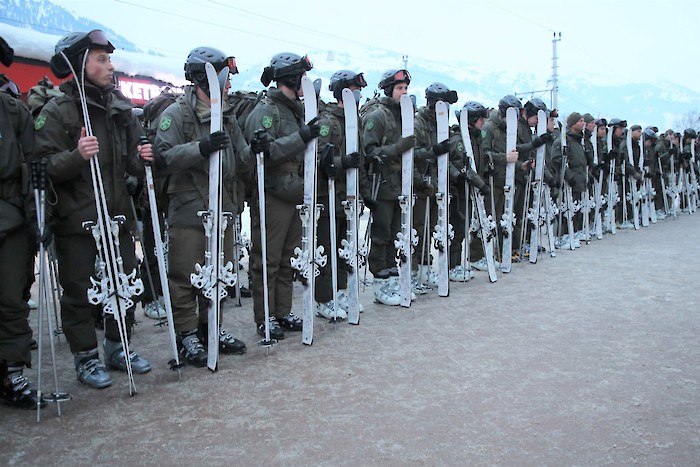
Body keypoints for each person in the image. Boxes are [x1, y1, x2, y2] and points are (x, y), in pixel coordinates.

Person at [33, 30, 152, 389]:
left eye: (109, 59)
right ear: (80, 64)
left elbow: (129, 161)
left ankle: (118, 346)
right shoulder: (58, 109)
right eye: (101, 59)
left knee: (125, 284)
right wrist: (76, 156)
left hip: (117, 216)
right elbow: (41, 166)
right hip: (77, 218)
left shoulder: (119, 106)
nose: (110, 66)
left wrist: (142, 159)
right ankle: (85, 357)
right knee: (80, 291)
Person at [155, 47, 251, 366]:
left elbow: (242, 157)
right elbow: (163, 158)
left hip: (221, 208)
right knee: (185, 275)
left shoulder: (227, 114)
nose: (228, 85)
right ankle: (186, 335)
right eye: (223, 78)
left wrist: (260, 149)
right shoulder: (175, 114)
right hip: (187, 208)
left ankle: (212, 328)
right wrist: (200, 148)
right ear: (202, 78)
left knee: (219, 274)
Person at [244, 52, 315, 339]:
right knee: (267, 260)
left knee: (289, 259)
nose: (306, 83)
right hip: (272, 194)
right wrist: (302, 137)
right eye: (302, 77)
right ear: (291, 78)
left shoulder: (296, 109)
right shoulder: (266, 110)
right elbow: (264, 153)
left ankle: (283, 312)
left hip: (294, 192)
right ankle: (265, 317)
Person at [0, 36, 44, 408]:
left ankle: (12, 373)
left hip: (9, 220)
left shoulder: (13, 112)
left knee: (12, 300)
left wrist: (36, 219)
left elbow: (31, 168)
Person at [314, 70, 366, 320]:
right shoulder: (328, 122)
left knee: (346, 247)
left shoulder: (354, 122)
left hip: (348, 196)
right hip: (328, 196)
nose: (359, 95)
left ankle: (341, 290)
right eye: (354, 90)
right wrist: (342, 162)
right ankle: (325, 297)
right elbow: (318, 159)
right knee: (327, 246)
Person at [361, 69, 415, 305]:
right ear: (389, 90)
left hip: (400, 186)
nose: (404, 93)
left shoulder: (406, 116)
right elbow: (369, 152)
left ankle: (392, 278)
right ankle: (380, 282)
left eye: (406, 89)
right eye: (399, 89)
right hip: (381, 185)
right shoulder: (378, 116)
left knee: (395, 234)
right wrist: (397, 148)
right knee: (381, 234)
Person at [450, 102, 491, 274]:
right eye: (481, 119)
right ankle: (452, 265)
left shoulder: (475, 139)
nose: (483, 123)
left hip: (469, 190)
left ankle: (457, 263)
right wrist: (480, 184)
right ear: (472, 120)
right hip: (459, 191)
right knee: (458, 227)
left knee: (464, 226)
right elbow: (462, 166)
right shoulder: (459, 141)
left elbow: (476, 162)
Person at [481, 95, 522, 263]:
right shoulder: (490, 128)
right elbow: (484, 153)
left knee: (501, 219)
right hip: (492, 180)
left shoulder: (509, 130)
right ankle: (482, 254)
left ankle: (497, 251)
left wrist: (520, 165)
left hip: (505, 180)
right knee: (489, 218)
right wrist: (504, 158)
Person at [552, 112, 588, 247]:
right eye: (580, 121)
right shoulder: (564, 140)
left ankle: (573, 232)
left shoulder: (579, 140)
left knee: (575, 208)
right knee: (565, 208)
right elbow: (556, 159)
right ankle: (562, 236)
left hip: (579, 179)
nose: (583, 123)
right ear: (573, 124)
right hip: (568, 180)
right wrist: (568, 175)